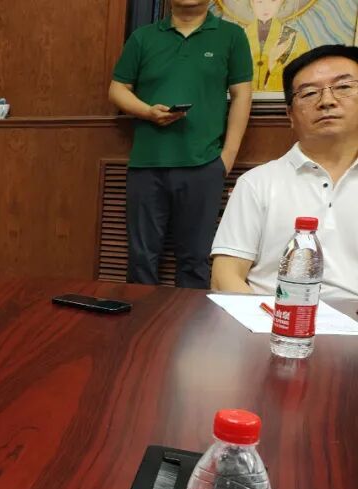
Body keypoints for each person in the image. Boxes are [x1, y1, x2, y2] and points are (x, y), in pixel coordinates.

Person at [109, 0, 254, 288]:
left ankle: (191, 319)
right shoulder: (142, 37)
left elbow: (242, 95)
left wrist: (226, 157)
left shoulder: (232, 36)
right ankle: (141, 318)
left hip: (204, 164)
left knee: (195, 260)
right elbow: (117, 89)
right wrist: (147, 112)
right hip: (146, 164)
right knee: (141, 259)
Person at [211, 45, 358, 299]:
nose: (327, 101)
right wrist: (269, 319)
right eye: (309, 93)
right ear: (290, 114)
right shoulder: (257, 183)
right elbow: (225, 276)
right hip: (271, 317)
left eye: (343, 87)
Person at [245, 0, 310, 92]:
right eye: (259, 1)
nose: (266, 7)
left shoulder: (295, 39)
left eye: (273, 1)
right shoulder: (238, 36)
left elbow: (302, 79)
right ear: (251, 3)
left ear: (281, 2)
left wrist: (273, 65)